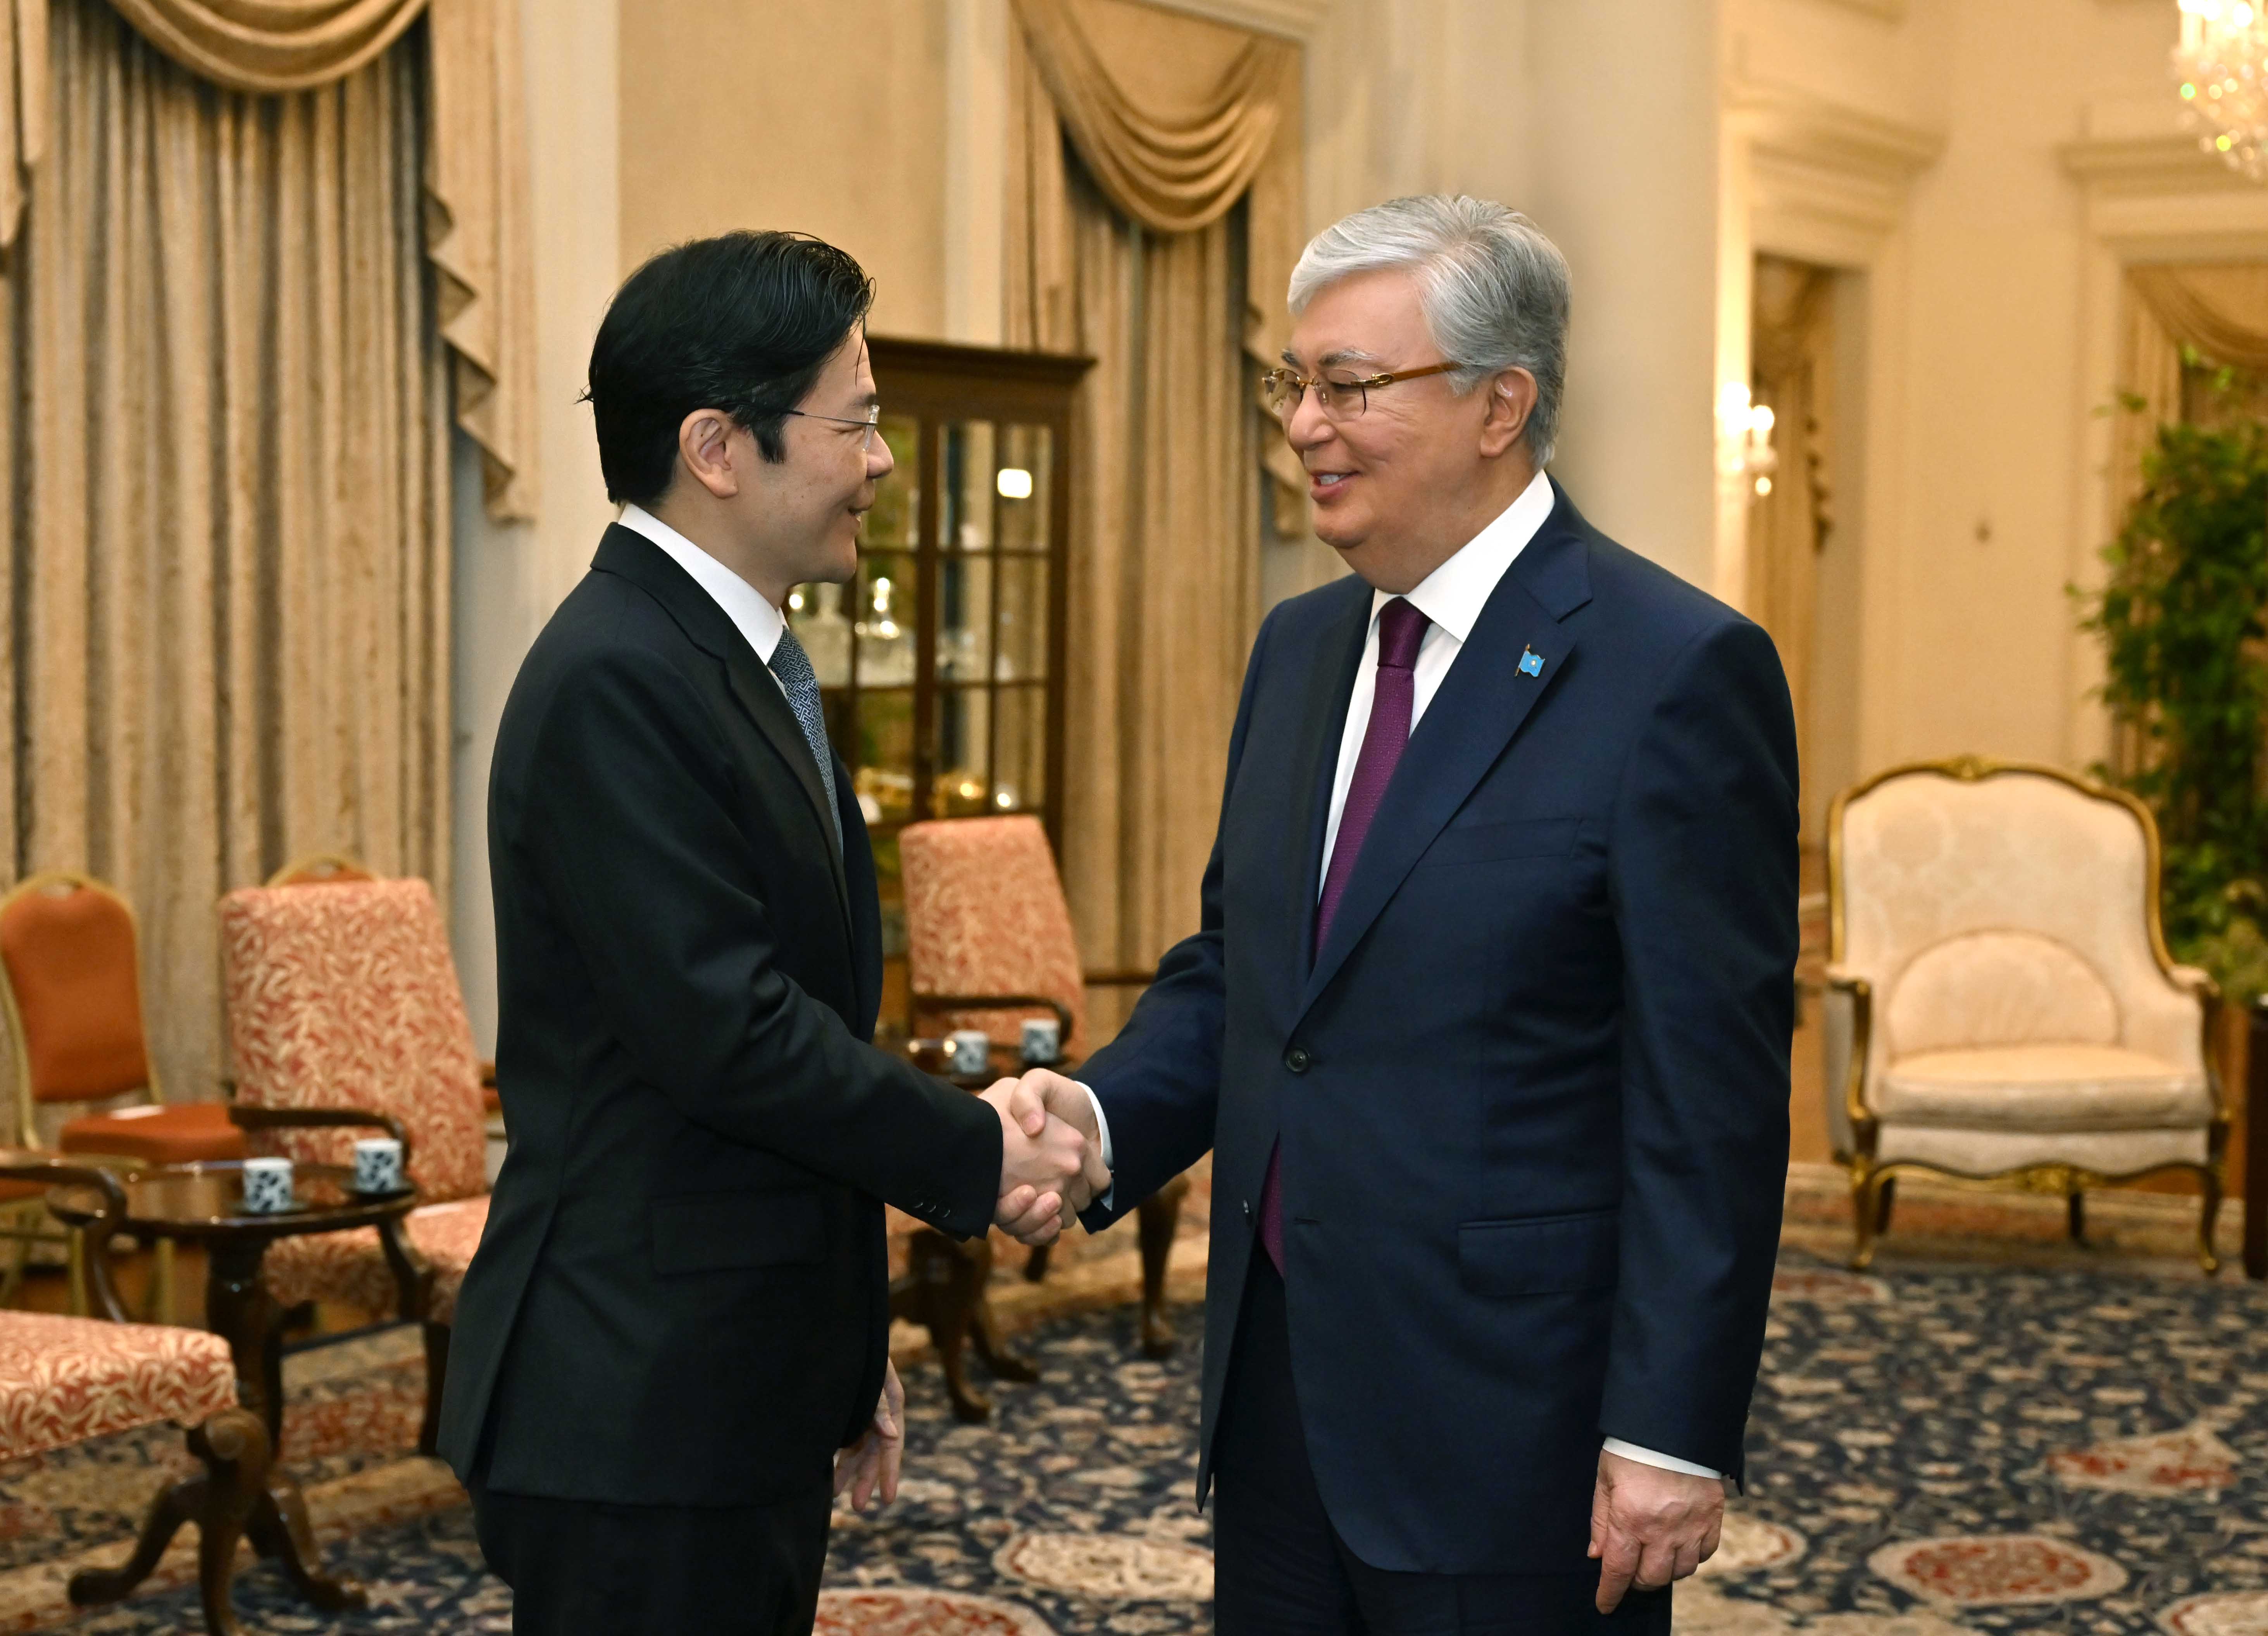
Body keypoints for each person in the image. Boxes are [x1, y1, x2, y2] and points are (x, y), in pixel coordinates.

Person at [1013, 196, 1798, 1634]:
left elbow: (1712, 1099)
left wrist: (1670, 1429)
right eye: (1294, 381)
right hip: (1277, 1401)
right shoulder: (1299, 647)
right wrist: (1100, 1114)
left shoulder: (1675, 669)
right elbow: (1249, 976)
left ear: (1502, 404)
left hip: (1518, 1430)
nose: (1303, 424)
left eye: (1349, 385)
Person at [436, 230, 1105, 1636]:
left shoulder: (729, 660)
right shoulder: (619, 677)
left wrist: (842, 1347)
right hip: (638, 1400)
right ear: (717, 447)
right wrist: (978, 1149)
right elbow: (731, 1037)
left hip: (727, 1369)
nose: (881, 460)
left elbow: (793, 1028)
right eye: (853, 423)